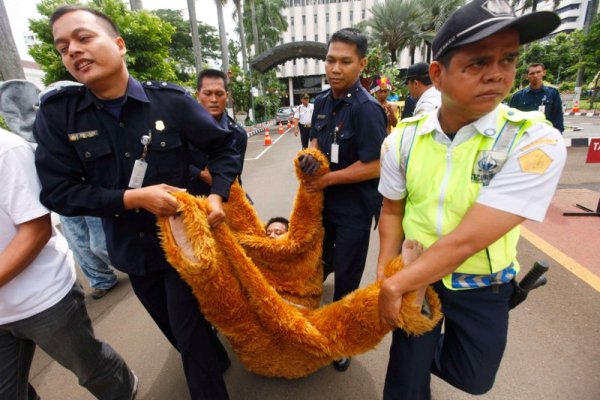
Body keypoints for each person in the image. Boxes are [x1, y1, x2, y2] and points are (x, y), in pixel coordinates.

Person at [33, 6, 241, 400]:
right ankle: (216, 358)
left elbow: (225, 144)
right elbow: (57, 192)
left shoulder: (170, 102)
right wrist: (131, 199)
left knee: (189, 334)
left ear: (119, 44)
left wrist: (217, 194)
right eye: (63, 47)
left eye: (83, 38)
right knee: (176, 331)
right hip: (132, 250)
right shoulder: (60, 116)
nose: (73, 52)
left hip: (182, 243)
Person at [377, 1, 565, 399]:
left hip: (482, 284)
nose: (497, 74)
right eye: (477, 63)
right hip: (417, 276)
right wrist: (386, 272)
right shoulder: (402, 139)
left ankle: (424, 344)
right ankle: (415, 349)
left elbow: (466, 241)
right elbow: (392, 209)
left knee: (474, 378)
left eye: (508, 59)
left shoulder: (534, 141)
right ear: (437, 74)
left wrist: (394, 289)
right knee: (406, 384)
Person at [0, 127, 137, 400]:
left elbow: (36, 229)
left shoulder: (8, 150)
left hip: (43, 298)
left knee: (91, 368)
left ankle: (124, 389)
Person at [300, 27, 387, 372]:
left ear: (361, 64)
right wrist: (310, 156)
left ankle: (342, 339)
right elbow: (314, 143)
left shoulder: (366, 110)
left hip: (353, 209)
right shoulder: (321, 102)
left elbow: (376, 165)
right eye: (330, 60)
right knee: (316, 263)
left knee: (347, 277)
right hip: (322, 206)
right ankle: (305, 315)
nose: (335, 68)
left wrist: (328, 178)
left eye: (345, 62)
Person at [0, 79, 118, 301]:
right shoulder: (29, 136)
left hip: (86, 189)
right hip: (59, 195)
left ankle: (133, 264)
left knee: (100, 244)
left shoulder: (80, 116)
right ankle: (102, 279)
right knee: (79, 245)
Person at [189, 68, 248, 195]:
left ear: (227, 95)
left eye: (219, 94)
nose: (214, 99)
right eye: (208, 93)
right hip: (189, 202)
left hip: (225, 200)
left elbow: (233, 173)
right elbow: (175, 163)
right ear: (197, 95)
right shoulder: (184, 128)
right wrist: (200, 174)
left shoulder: (238, 135)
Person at [509, 63, 565, 133]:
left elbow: (558, 118)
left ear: (544, 73)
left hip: (546, 136)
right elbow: (511, 120)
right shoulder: (518, 96)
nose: (535, 75)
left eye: (538, 72)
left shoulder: (553, 93)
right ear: (527, 76)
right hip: (524, 136)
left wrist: (557, 136)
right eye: (532, 73)